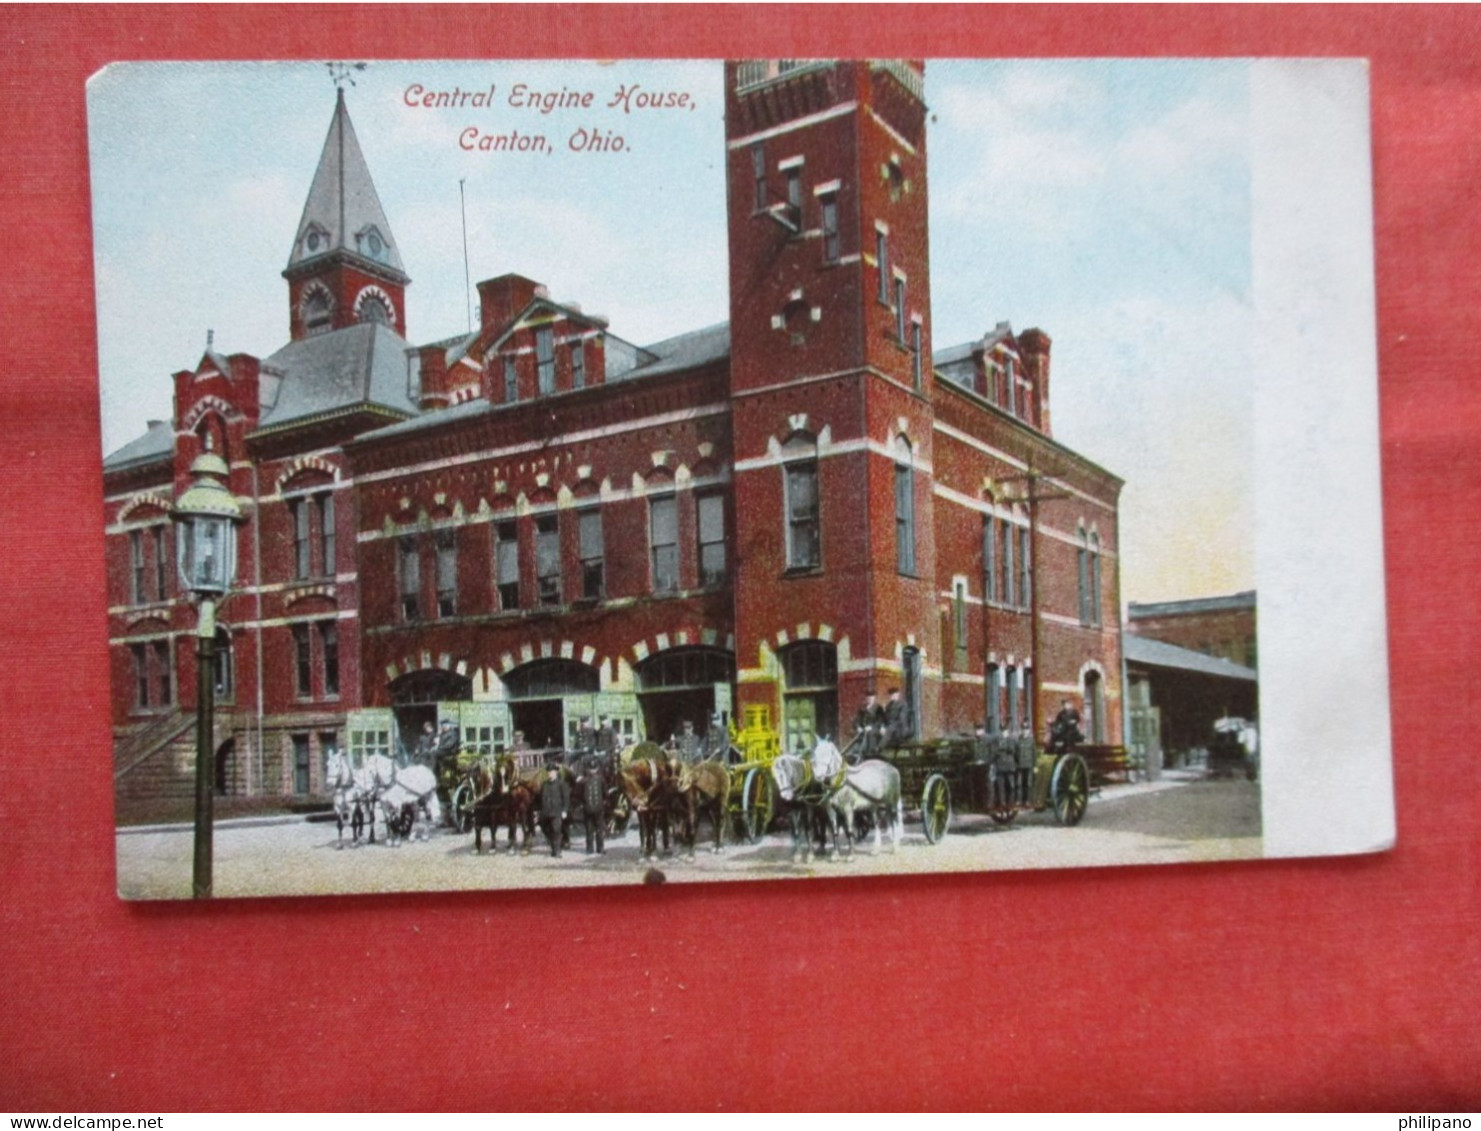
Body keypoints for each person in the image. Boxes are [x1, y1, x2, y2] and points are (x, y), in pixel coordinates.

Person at [575, 750, 608, 855]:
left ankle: (600, 848)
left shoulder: (601, 780)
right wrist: (583, 804)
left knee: (599, 829)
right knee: (589, 830)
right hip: (588, 809)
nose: (592, 771)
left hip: (598, 808)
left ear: (597, 769)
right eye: (591, 769)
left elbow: (605, 792)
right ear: (587, 770)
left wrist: (603, 803)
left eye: (594, 769)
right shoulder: (583, 782)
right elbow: (579, 794)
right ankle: (589, 848)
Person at [539, 763, 570, 858]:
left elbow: (566, 798)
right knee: (546, 829)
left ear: (556, 772)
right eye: (548, 772)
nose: (550, 774)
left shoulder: (561, 783)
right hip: (546, 812)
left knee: (556, 830)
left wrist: (565, 810)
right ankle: (554, 848)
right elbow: (541, 798)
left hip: (557, 811)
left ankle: (557, 851)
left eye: (552, 772)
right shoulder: (544, 784)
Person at [855, 693, 885, 758]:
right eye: (868, 698)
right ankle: (859, 753)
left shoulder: (879, 708)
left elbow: (880, 721)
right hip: (864, 729)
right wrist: (858, 727)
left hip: (875, 729)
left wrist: (871, 726)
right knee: (859, 735)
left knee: (870, 734)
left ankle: (871, 754)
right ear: (866, 699)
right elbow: (857, 719)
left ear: (874, 698)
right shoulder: (863, 708)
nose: (870, 700)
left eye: (871, 698)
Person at [434, 719, 461, 786]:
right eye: (442, 726)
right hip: (443, 751)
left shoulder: (453, 734)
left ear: (448, 726)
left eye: (445, 726)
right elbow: (438, 743)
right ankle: (436, 773)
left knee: (434, 754)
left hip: (450, 752)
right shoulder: (442, 734)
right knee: (430, 753)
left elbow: (449, 745)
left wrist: (438, 748)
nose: (443, 727)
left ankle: (437, 775)